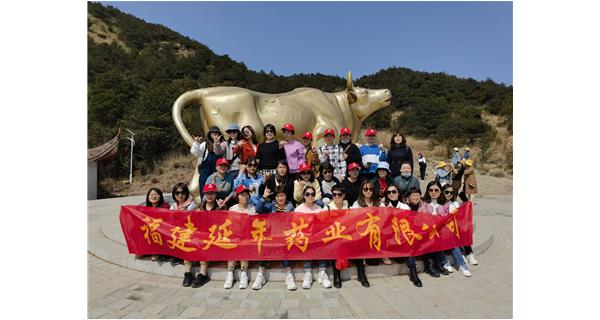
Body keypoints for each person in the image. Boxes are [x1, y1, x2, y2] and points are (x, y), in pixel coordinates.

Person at [255, 185, 296, 290]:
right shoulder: (270, 206)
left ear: (286, 196)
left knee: (284, 245)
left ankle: (289, 274)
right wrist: (264, 197)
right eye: (277, 196)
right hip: (272, 236)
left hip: (285, 237)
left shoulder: (291, 208)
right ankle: (260, 275)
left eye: (282, 195)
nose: (280, 198)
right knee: (264, 245)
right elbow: (258, 209)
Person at [293, 186, 332, 289]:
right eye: (307, 194)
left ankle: (322, 272)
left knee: (322, 242)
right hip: (304, 237)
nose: (310, 196)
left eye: (312, 194)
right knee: (305, 242)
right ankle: (308, 273)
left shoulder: (318, 209)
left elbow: (323, 225)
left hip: (316, 236)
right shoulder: (298, 209)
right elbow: (295, 227)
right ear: (304, 196)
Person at [224, 185, 257, 289]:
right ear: (237, 197)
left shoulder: (253, 208)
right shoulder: (232, 209)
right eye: (242, 195)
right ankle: (230, 273)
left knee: (244, 244)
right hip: (235, 236)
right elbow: (229, 225)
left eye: (247, 195)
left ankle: (244, 273)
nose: (245, 197)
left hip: (248, 237)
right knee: (234, 244)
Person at [169, 183, 201, 288]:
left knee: (187, 243)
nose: (180, 195)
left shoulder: (192, 205)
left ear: (186, 193)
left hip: (191, 233)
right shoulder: (173, 207)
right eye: (177, 193)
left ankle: (188, 274)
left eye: (182, 192)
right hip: (178, 233)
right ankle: (187, 274)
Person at [349, 180, 379, 285]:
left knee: (374, 262)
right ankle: (361, 273)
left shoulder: (378, 203)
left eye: (370, 189)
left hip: (375, 233)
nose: (368, 191)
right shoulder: (357, 204)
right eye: (365, 189)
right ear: (362, 190)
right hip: (361, 233)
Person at [321, 184, 349, 288]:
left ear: (344, 195)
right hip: (332, 237)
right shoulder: (327, 208)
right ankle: (337, 275)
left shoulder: (349, 207)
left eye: (339, 194)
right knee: (335, 244)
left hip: (345, 235)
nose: (337, 197)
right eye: (334, 194)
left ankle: (361, 273)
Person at [420, 181, 451, 278]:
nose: (433, 192)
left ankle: (438, 264)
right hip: (427, 231)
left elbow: (447, 218)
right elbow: (421, 217)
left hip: (439, 232)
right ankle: (429, 266)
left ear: (441, 191)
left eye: (436, 190)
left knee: (436, 239)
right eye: (431, 190)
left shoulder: (445, 204)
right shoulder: (424, 203)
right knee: (429, 240)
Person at [440, 184, 472, 277]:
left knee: (453, 242)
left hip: (452, 230)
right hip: (440, 230)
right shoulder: (438, 204)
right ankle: (445, 262)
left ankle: (462, 266)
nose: (449, 194)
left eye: (451, 192)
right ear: (442, 192)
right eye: (446, 192)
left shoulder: (455, 204)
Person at [191, 126, 226, 195]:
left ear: (219, 134)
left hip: (218, 172)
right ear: (209, 134)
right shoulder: (205, 144)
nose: (214, 135)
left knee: (217, 190)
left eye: (216, 133)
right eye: (212, 133)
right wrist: (196, 143)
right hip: (205, 172)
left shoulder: (223, 143)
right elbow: (195, 153)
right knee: (204, 190)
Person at [404, 187, 427, 287]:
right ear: (407, 198)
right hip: (407, 236)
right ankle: (413, 272)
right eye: (412, 195)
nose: (415, 197)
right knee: (409, 245)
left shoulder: (423, 207)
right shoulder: (404, 207)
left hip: (420, 234)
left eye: (417, 195)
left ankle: (431, 264)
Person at [138, 188, 170, 261]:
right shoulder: (146, 208)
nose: (154, 196)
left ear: (160, 196)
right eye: (151, 195)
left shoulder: (165, 207)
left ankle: (157, 252)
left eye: (156, 194)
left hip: (161, 228)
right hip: (150, 228)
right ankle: (145, 250)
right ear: (148, 197)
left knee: (155, 231)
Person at [462, 159, 479, 265]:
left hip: (471, 184)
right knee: (469, 195)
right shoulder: (469, 168)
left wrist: (463, 167)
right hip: (468, 183)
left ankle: (470, 205)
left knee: (471, 196)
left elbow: (466, 173)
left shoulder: (470, 169)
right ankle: (469, 203)